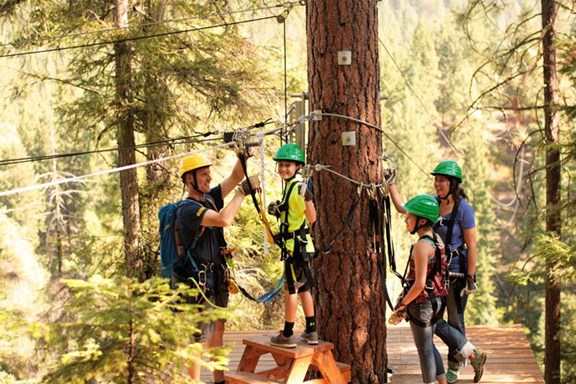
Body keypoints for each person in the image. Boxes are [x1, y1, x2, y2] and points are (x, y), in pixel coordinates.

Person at [388, 160, 487, 383]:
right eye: (436, 180)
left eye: (442, 180)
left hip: (456, 273)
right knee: (437, 323)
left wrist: (471, 277)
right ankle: (470, 355)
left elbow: (472, 245)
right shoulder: (431, 204)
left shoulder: (463, 209)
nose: (437, 184)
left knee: (454, 321)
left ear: (453, 184)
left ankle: (454, 368)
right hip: (437, 275)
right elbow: (405, 208)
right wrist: (391, 185)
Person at [172, 151, 259, 383]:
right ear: (189, 179)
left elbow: (235, 175)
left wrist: (244, 155)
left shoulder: (209, 197)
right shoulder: (187, 210)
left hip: (217, 276)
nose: (208, 178)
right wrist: (242, 193)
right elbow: (223, 219)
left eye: (208, 173)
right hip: (197, 282)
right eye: (202, 175)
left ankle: (218, 380)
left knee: (218, 330)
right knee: (197, 339)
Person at [389, 194, 448, 384]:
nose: (406, 220)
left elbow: (419, 284)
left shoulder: (421, 246)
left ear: (422, 221)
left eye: (410, 217)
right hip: (437, 300)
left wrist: (402, 304)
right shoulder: (436, 240)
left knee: (424, 350)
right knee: (429, 346)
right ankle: (442, 381)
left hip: (422, 304)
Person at [266, 143, 318, 348]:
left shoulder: (297, 188)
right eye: (280, 165)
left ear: (297, 167)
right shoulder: (291, 186)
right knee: (304, 288)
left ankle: (287, 333)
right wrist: (280, 208)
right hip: (300, 245)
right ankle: (311, 331)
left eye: (287, 165)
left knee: (291, 289)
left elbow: (311, 217)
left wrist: (308, 200)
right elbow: (295, 214)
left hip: (294, 248)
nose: (283, 169)